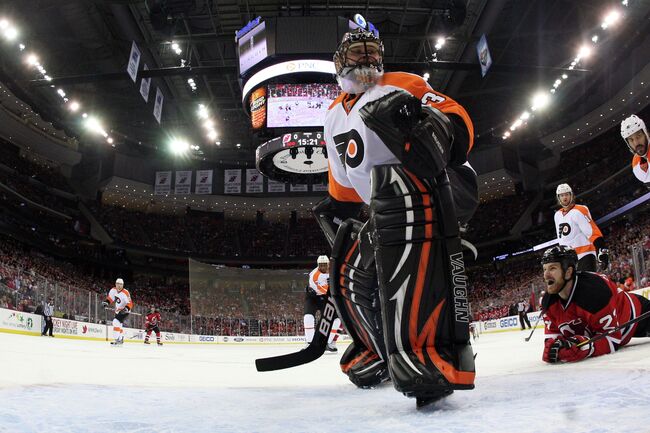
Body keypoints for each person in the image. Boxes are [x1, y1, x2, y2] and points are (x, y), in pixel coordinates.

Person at [314, 27, 477, 407]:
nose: (367, 59)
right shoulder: (332, 116)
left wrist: (427, 125)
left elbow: (460, 123)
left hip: (442, 185)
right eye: (357, 53)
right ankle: (378, 350)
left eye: (372, 52)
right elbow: (345, 188)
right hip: (385, 204)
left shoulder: (403, 83)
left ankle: (429, 353)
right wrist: (337, 214)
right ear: (340, 62)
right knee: (348, 267)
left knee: (398, 195)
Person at [540, 245, 650, 364]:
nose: (546, 275)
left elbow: (613, 339)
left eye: (552, 268)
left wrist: (587, 347)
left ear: (568, 272)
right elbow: (552, 339)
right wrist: (553, 349)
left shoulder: (594, 291)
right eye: (544, 269)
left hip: (636, 315)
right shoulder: (548, 301)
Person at [554, 183, 608, 272]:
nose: (565, 198)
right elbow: (562, 240)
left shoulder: (580, 210)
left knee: (586, 284)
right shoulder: (557, 215)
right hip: (569, 259)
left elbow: (593, 232)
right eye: (562, 195)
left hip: (585, 255)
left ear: (571, 195)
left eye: (567, 194)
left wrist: (602, 250)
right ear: (558, 198)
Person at [304, 255, 341, 352]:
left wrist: (333, 283)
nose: (323, 267)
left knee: (336, 320)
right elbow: (322, 290)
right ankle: (309, 343)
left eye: (325, 265)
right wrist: (331, 285)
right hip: (313, 297)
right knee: (308, 317)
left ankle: (327, 343)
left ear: (329, 264)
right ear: (318, 265)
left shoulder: (334, 272)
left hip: (326, 297)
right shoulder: (314, 275)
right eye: (321, 265)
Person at [620, 114, 650, 186]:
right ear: (628, 144)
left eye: (638, 136)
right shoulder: (636, 164)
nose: (636, 143)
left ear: (646, 134)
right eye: (631, 139)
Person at [102, 278, 133, 346]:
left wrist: (126, 308)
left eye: (121, 284)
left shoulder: (126, 292)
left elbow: (130, 303)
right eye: (118, 284)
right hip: (118, 310)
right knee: (119, 325)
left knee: (115, 322)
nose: (119, 285)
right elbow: (110, 298)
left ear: (123, 285)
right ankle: (120, 339)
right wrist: (106, 302)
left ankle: (117, 340)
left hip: (125, 311)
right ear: (115, 284)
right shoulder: (113, 290)